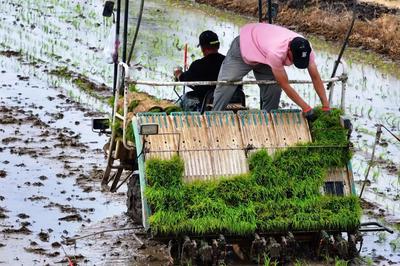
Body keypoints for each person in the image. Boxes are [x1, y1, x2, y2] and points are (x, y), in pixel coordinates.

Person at [212, 23, 330, 119]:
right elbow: (285, 84)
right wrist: (307, 108)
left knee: (273, 87)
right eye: (295, 59)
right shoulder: (276, 52)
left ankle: (267, 120)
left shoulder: (306, 48)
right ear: (289, 50)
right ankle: (214, 118)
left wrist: (326, 106)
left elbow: (315, 77)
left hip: (264, 51)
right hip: (245, 46)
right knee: (227, 82)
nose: (295, 62)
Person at [174, 30, 243, 112]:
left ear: (202, 48)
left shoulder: (198, 65)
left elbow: (184, 79)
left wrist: (177, 72)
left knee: (185, 98)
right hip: (234, 105)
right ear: (218, 45)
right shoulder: (231, 64)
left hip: (209, 107)